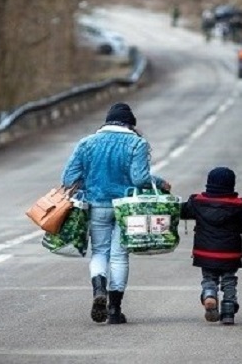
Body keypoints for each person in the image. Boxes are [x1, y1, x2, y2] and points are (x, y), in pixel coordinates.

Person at [61, 102, 171, 325]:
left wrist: (89, 185)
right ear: (131, 124)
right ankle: (114, 310)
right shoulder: (136, 143)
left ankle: (98, 290)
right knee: (120, 256)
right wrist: (160, 183)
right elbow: (140, 179)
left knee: (100, 252)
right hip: (127, 208)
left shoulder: (86, 143)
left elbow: (68, 180)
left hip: (96, 205)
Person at [180, 167, 242, 325]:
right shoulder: (239, 206)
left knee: (209, 278)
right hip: (230, 253)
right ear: (231, 184)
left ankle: (209, 294)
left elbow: (181, 211)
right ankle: (228, 312)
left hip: (204, 252)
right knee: (229, 280)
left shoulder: (197, 202)